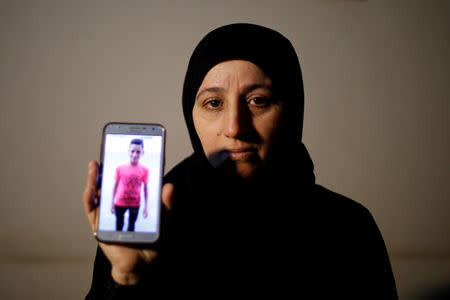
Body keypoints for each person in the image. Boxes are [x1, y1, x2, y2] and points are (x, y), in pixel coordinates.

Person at [83, 23, 398, 299]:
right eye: (214, 103)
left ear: (291, 111)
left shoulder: (347, 227)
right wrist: (126, 279)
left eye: (258, 100)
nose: (235, 127)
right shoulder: (148, 224)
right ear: (190, 114)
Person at [111, 139, 149, 232]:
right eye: (132, 151)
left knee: (131, 226)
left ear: (142, 152)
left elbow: (145, 188)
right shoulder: (120, 168)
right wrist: (112, 202)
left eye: (138, 152)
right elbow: (115, 186)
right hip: (120, 202)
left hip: (135, 204)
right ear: (128, 151)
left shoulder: (144, 170)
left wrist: (146, 207)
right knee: (119, 225)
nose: (135, 155)